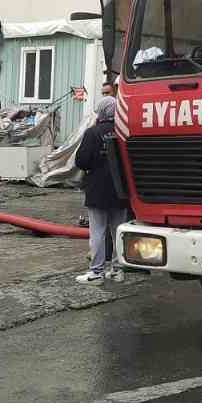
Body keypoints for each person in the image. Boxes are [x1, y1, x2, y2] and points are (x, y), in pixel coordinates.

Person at [75, 95, 129, 284]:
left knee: (97, 231)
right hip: (121, 189)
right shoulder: (124, 132)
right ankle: (117, 270)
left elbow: (81, 161)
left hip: (98, 189)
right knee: (119, 231)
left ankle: (96, 272)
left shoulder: (93, 133)